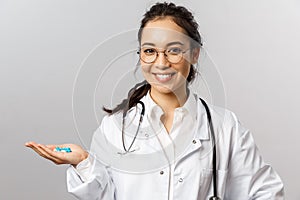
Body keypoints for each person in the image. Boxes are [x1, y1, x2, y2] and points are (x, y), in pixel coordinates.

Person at [25, 2, 284, 200]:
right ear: (140, 56)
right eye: (150, 51)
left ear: (194, 54)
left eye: (174, 50)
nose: (161, 62)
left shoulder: (225, 127)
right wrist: (83, 162)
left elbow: (266, 193)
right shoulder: (115, 127)